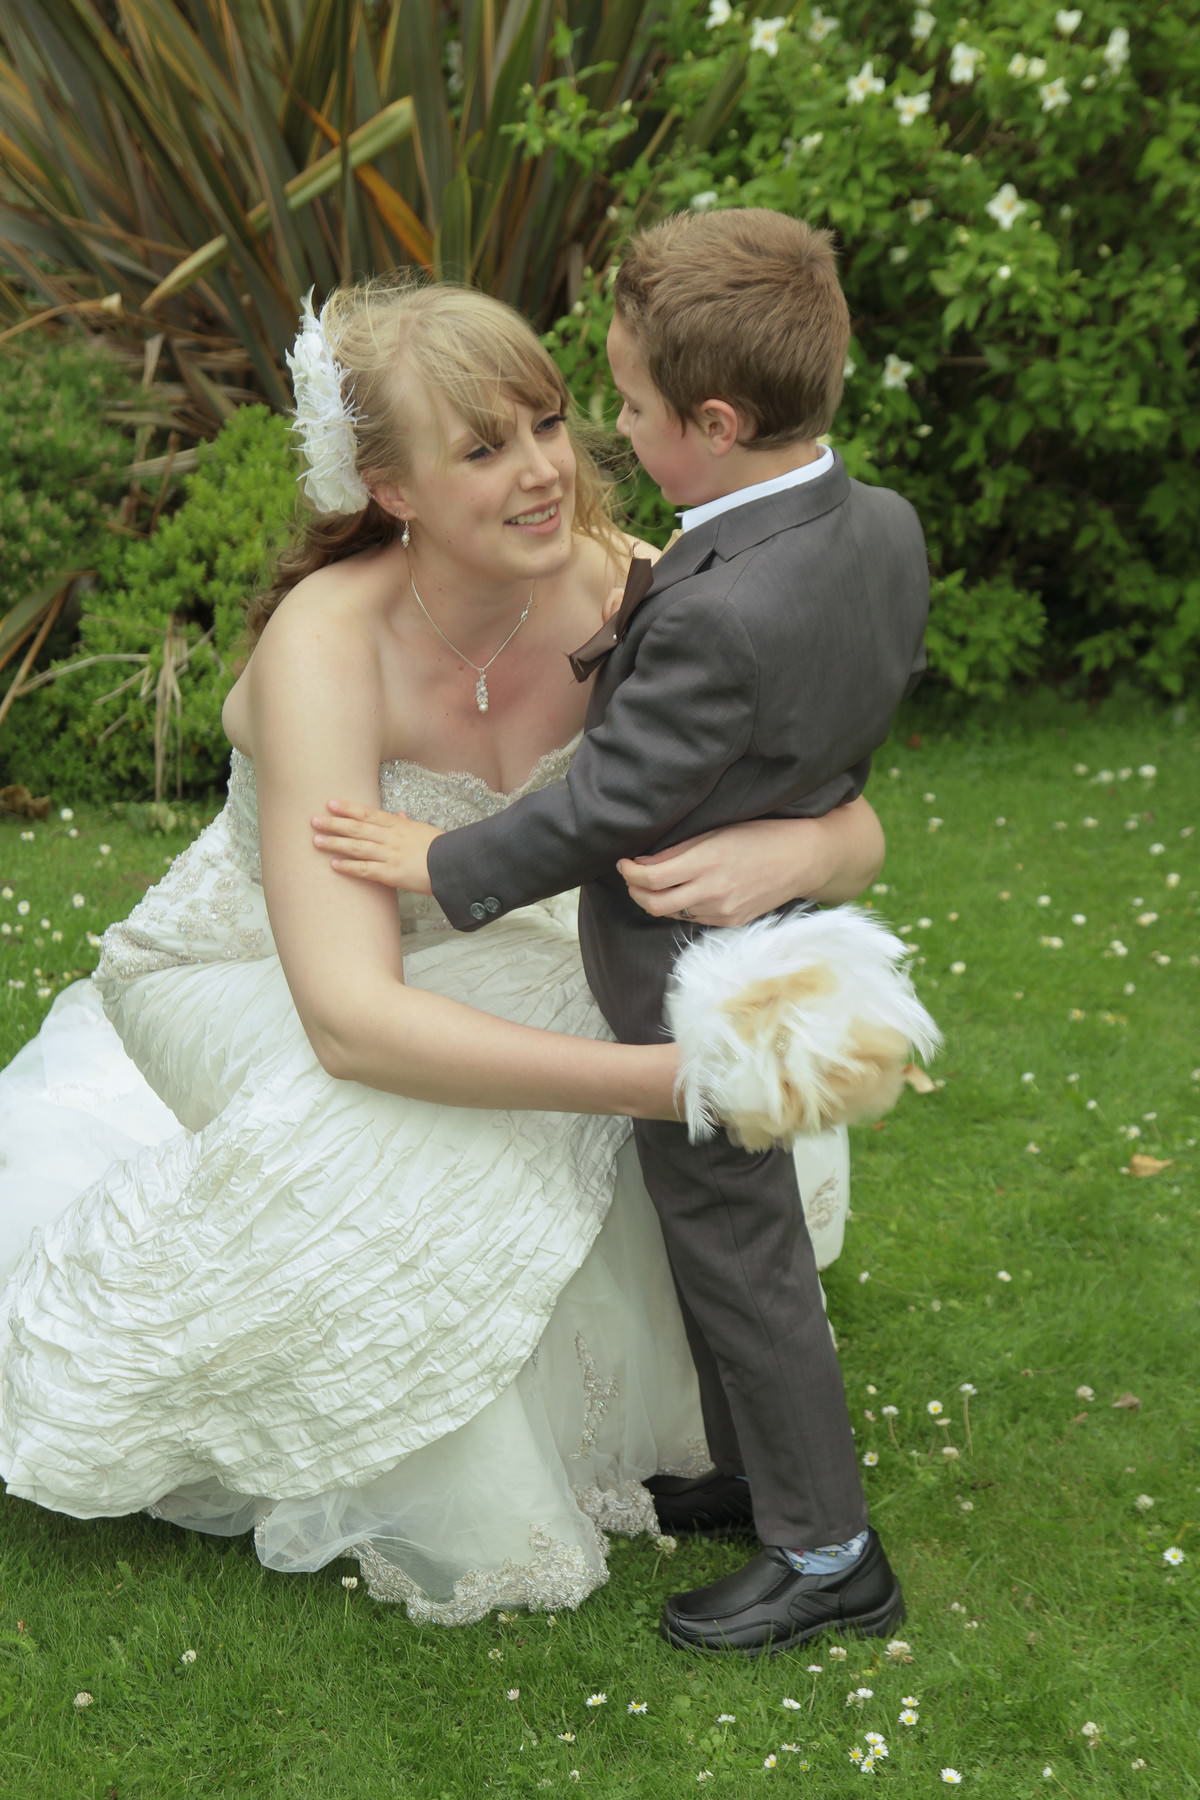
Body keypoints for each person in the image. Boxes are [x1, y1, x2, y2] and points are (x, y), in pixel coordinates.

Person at [0, 274, 883, 1625]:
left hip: (509, 937)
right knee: (423, 1120)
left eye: (547, 423)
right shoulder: (329, 644)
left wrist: (798, 854)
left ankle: (683, 1431)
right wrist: (673, 1081)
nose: (543, 472)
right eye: (482, 449)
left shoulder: (634, 586)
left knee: (626, 991)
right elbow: (353, 1022)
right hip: (258, 974)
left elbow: (853, 824)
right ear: (391, 488)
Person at [309, 211, 930, 1653]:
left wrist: (443, 857)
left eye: (634, 409)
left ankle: (829, 1553)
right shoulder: (877, 525)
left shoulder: (720, 608)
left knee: (741, 1251)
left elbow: (606, 804)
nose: (617, 437)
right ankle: (751, 1471)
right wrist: (808, 827)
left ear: (713, 424)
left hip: (696, 976)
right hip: (781, 938)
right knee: (710, 1241)